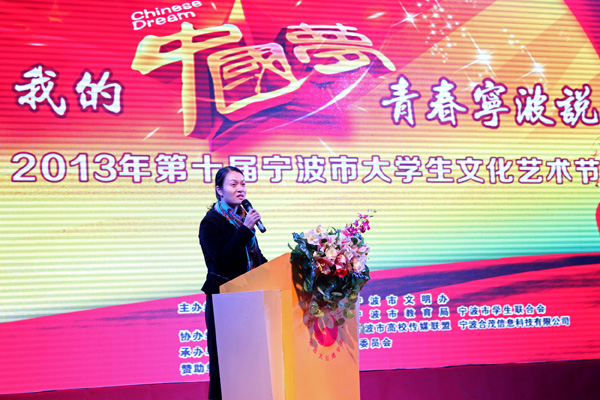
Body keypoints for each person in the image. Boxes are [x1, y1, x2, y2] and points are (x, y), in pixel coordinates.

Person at [198, 166, 268, 400]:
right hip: (224, 303)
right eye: (233, 184)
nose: (241, 189)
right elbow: (222, 260)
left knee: (250, 364)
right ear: (219, 190)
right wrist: (245, 229)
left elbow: (256, 259)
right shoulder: (211, 223)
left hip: (250, 299)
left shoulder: (241, 219)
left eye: (243, 184)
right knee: (224, 367)